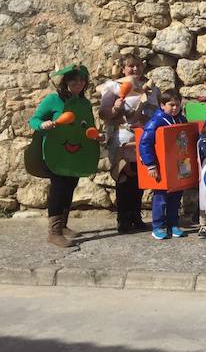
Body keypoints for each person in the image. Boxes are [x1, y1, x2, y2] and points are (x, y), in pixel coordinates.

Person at [28, 64, 96, 248]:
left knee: (70, 185)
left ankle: (63, 225)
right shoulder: (53, 99)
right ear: (65, 81)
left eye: (82, 79)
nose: (78, 83)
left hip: (76, 151)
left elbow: (86, 126)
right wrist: (43, 124)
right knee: (58, 187)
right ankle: (54, 232)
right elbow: (33, 120)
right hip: (54, 152)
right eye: (74, 79)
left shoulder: (84, 104)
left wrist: (96, 135)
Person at [98, 54, 158, 234]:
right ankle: (122, 219)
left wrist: (146, 113)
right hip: (122, 138)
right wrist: (116, 108)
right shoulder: (115, 87)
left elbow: (155, 111)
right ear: (123, 69)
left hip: (142, 138)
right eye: (131, 66)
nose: (135, 69)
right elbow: (104, 113)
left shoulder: (151, 89)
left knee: (139, 179)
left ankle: (135, 217)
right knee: (124, 178)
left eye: (138, 66)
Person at [138, 89, 190, 241]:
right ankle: (158, 226)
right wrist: (151, 165)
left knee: (176, 196)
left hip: (178, 165)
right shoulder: (156, 121)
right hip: (162, 166)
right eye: (171, 105)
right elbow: (145, 143)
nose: (174, 108)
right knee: (161, 197)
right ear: (162, 105)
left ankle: (173, 224)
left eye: (177, 105)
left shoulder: (181, 119)